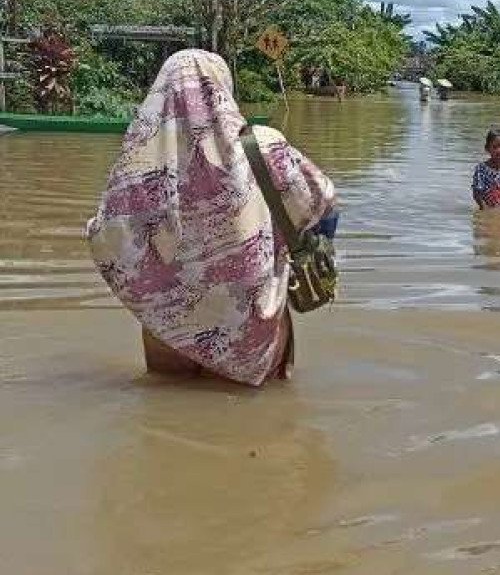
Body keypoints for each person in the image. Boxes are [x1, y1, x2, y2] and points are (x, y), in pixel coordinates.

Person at [86, 49, 337, 386]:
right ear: (223, 88)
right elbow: (322, 205)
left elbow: (105, 234)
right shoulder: (264, 146)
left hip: (168, 326)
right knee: (263, 423)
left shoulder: (138, 163)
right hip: (249, 322)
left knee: (165, 421)